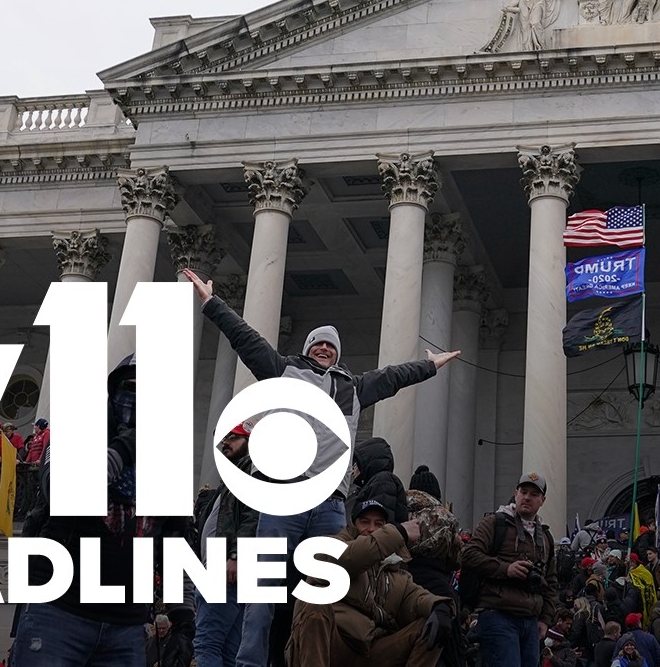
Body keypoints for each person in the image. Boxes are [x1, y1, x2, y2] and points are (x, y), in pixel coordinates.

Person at [186, 267, 458, 667]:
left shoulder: (353, 387)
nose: (325, 349)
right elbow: (246, 340)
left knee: (331, 584)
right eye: (319, 344)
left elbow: (393, 378)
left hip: (330, 502)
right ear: (308, 348)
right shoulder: (284, 371)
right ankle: (250, 663)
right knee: (263, 588)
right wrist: (212, 304)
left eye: (331, 346)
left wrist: (429, 366)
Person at [11, 353, 172, 665]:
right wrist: (127, 447)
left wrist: (183, 615)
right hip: (60, 611)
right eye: (132, 388)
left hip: (127, 625)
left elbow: (173, 538)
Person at [288, 496, 452, 667]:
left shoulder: (395, 570)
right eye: (365, 522)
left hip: (371, 651)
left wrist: (439, 607)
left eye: (378, 524)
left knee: (432, 625)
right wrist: (399, 533)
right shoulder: (331, 548)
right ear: (353, 525)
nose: (371, 529)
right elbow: (352, 557)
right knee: (315, 604)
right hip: (334, 645)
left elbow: (415, 596)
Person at [466, 473, 561, 667]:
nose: (527, 497)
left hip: (531, 622)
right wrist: (506, 569)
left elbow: (550, 582)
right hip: (498, 615)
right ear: (515, 493)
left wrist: (545, 619)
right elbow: (468, 555)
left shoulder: (545, 536)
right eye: (523, 491)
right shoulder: (494, 523)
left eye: (534, 494)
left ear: (542, 500)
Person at [196, 425, 258, 667]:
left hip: (226, 571)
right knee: (230, 652)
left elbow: (253, 516)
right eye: (223, 438)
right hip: (231, 573)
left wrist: (235, 556)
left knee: (206, 644)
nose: (226, 443)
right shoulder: (234, 477)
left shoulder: (249, 472)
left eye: (233, 437)